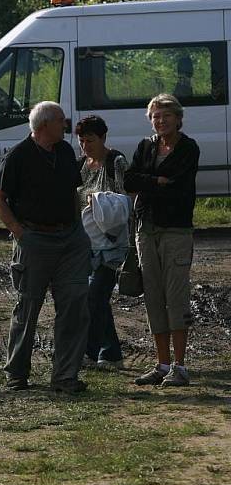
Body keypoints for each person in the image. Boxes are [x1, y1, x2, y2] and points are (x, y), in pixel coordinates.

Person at [0, 101, 92, 394]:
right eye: (62, 120)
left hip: (70, 239)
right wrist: (20, 233)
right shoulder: (18, 155)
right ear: (45, 124)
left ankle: (65, 377)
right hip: (35, 239)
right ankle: (16, 375)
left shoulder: (63, 151)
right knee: (28, 308)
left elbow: (73, 191)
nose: (66, 124)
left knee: (74, 304)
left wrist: (78, 229)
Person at [124, 94, 199, 387]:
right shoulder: (146, 146)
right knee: (153, 295)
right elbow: (129, 181)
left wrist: (149, 181)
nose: (160, 121)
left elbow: (179, 187)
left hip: (176, 230)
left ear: (178, 118)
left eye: (165, 115)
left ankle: (180, 367)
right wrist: (156, 180)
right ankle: (162, 364)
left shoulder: (188, 148)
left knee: (175, 297)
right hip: (146, 228)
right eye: (155, 116)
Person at [76, 115, 130, 370]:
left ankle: (95, 351)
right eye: (82, 141)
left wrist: (97, 203)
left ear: (103, 138)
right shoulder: (82, 166)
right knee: (96, 298)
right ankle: (110, 353)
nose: (86, 146)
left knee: (94, 296)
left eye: (90, 140)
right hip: (88, 244)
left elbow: (124, 201)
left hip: (112, 245)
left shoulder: (116, 162)